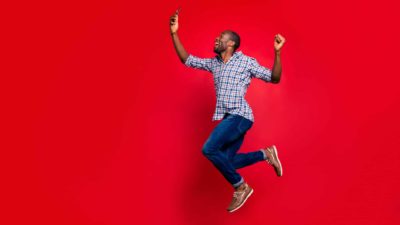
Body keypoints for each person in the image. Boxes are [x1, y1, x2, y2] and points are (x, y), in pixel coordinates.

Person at [170, 8, 286, 213]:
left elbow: (274, 78)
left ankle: (240, 186)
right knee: (229, 161)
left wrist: (277, 53)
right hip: (229, 117)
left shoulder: (245, 62)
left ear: (231, 43)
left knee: (209, 149)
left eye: (220, 37)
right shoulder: (214, 64)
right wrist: (174, 33)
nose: (216, 39)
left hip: (240, 115)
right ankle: (265, 154)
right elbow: (186, 59)